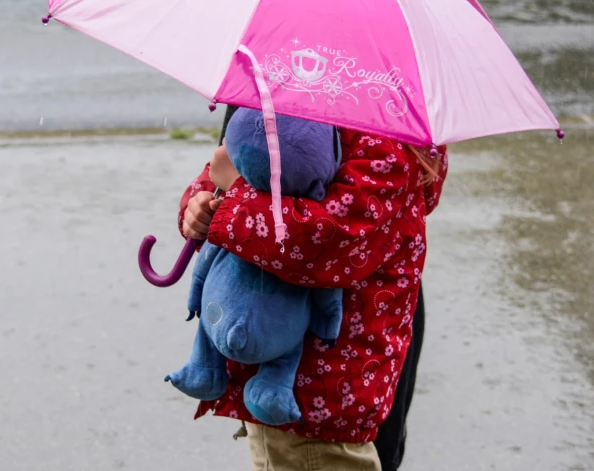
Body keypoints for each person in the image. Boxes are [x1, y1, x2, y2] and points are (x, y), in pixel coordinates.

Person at [179, 107, 447, 470]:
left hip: (322, 391)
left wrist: (234, 195)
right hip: (273, 376)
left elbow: (324, 241)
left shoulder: (388, 135)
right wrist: (201, 203)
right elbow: (237, 158)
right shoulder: (291, 93)